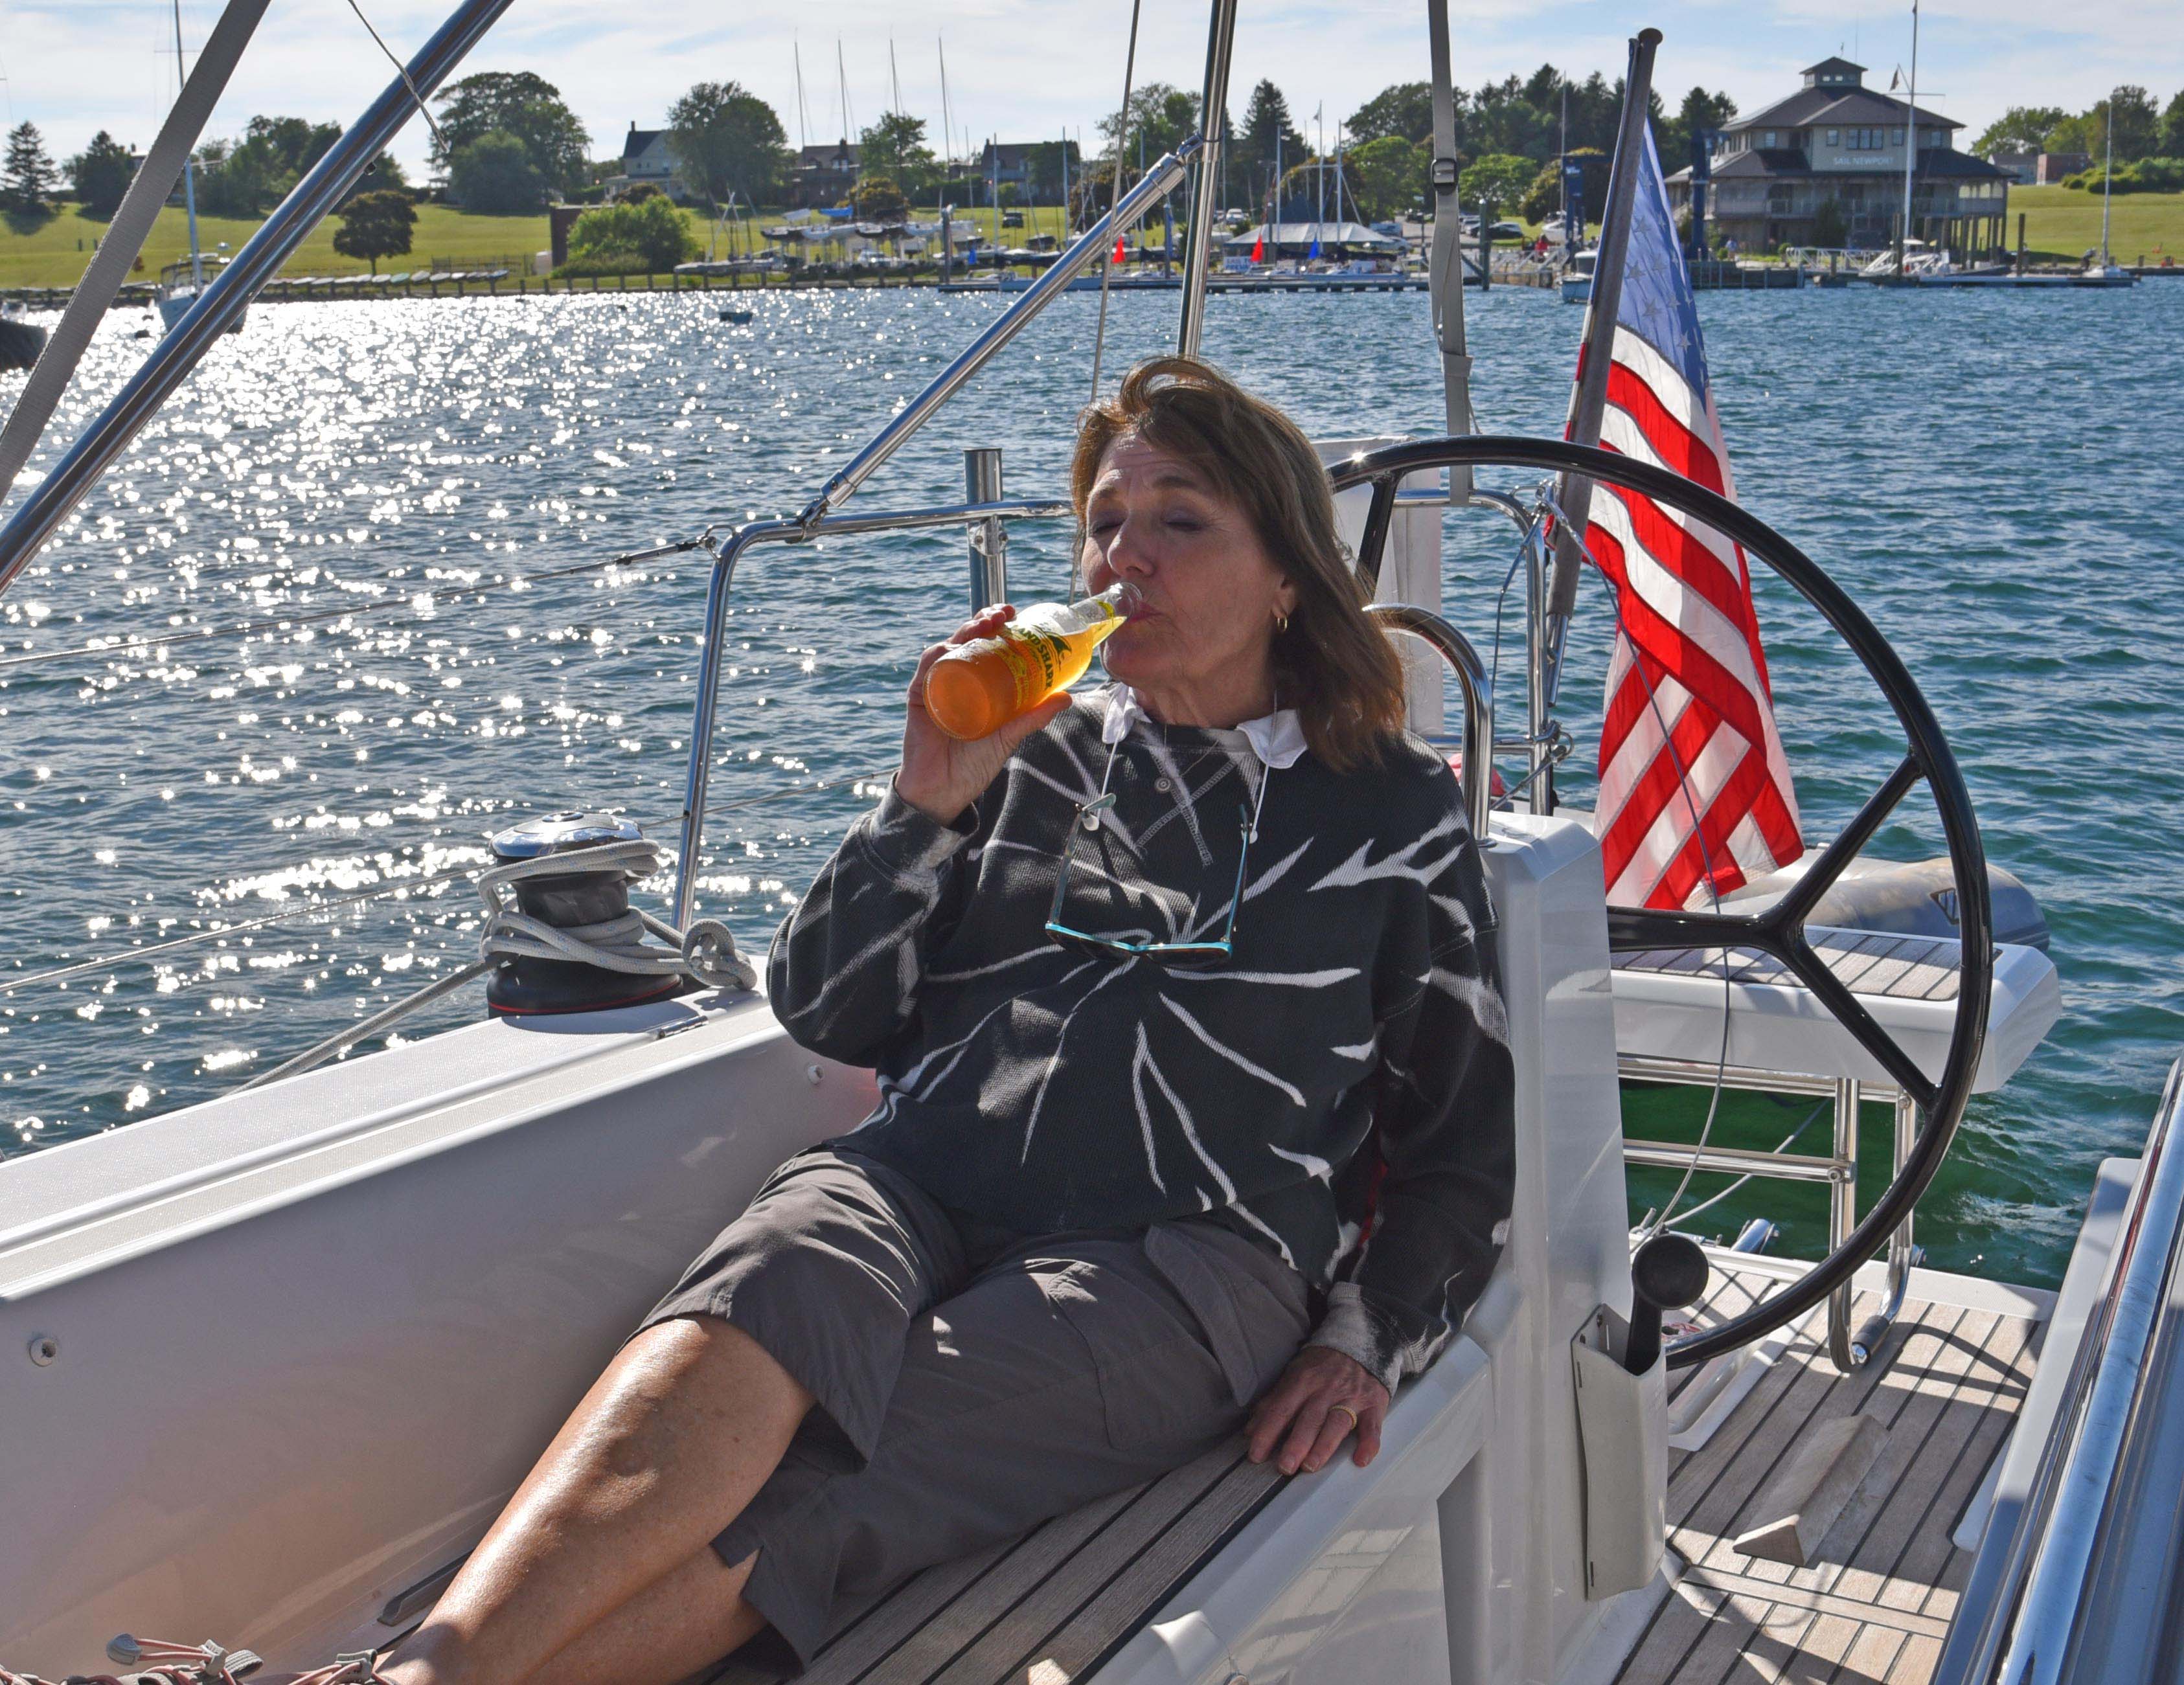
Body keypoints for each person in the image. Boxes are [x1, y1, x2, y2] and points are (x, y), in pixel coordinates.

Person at [375, 358, 1516, 1685]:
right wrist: (924, 800)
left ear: (1288, 576)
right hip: (924, 1177)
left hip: (1186, 1254)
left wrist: (1364, 1331)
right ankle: (420, 1673)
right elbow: (830, 1013)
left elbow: (1461, 1143)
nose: (1123, 556)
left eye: (1180, 521)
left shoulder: (1392, 815)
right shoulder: (1034, 745)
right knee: (763, 1289)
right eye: (1103, 521)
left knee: (845, 1465)